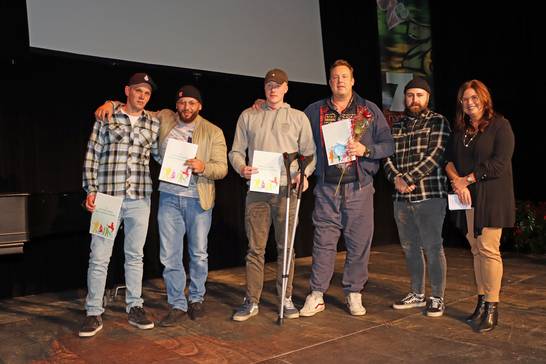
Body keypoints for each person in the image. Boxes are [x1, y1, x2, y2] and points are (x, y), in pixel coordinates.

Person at [94, 85, 228, 325]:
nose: (186, 107)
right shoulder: (164, 118)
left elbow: (223, 168)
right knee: (170, 255)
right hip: (168, 198)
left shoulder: (213, 131)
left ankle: (196, 298)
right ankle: (177, 303)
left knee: (198, 253)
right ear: (176, 105)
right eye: (182, 102)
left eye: (191, 103)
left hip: (198, 198)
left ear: (200, 106)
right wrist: (110, 103)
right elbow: (134, 108)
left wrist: (203, 167)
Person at [299, 59, 394, 317]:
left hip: (359, 188)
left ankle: (354, 292)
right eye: (334, 77)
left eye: (344, 76)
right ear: (329, 82)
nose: (339, 81)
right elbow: (297, 136)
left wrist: (366, 150)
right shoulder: (314, 111)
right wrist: (264, 107)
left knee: (358, 243)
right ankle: (317, 294)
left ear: (353, 81)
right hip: (326, 189)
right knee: (323, 243)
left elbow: (388, 145)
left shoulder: (369, 110)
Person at [229, 68, 316, 321]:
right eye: (269, 85)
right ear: (264, 88)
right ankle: (251, 300)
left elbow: (309, 154)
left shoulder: (298, 117)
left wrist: (304, 173)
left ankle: (286, 298)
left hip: (287, 189)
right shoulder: (249, 115)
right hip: (258, 188)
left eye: (278, 85)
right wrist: (241, 167)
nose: (273, 89)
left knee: (285, 248)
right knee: (255, 248)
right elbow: (235, 151)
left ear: (286, 88)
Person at [80, 73, 160, 337]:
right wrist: (91, 189)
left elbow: (159, 155)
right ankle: (93, 312)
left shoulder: (153, 123)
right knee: (100, 256)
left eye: (147, 93)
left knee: (135, 256)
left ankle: (135, 306)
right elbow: (92, 154)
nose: (142, 96)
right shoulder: (107, 116)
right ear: (127, 91)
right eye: (138, 90)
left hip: (140, 198)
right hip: (108, 198)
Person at [445, 79, 515, 332]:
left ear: (484, 99)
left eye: (474, 97)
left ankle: (493, 307)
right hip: (466, 198)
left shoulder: (500, 126)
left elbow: (499, 163)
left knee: (488, 248)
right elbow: (448, 160)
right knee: (475, 249)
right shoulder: (461, 130)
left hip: (492, 197)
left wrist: (467, 179)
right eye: (465, 99)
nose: (470, 102)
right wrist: (457, 181)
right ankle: (482, 301)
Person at [383, 77, 451, 317]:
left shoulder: (438, 122)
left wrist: (407, 178)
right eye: (410, 95)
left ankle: (437, 297)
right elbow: (387, 158)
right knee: (409, 248)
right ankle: (417, 293)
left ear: (427, 97)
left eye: (419, 95)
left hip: (430, 196)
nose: (414, 100)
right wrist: (396, 179)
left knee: (432, 248)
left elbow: (435, 156)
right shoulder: (396, 126)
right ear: (405, 98)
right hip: (401, 200)